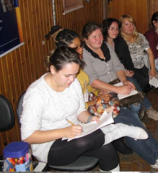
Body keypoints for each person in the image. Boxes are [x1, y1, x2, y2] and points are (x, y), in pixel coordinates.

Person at [20, 46, 148, 172]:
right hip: (49, 147)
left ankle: (116, 131)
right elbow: (28, 137)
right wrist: (65, 132)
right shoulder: (36, 94)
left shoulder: (73, 83)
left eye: (75, 74)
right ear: (53, 69)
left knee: (107, 148)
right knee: (83, 142)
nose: (72, 80)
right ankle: (120, 130)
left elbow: (80, 111)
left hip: (77, 134)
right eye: (67, 75)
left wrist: (91, 119)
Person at [81, 22, 158, 170]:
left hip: (116, 86)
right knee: (131, 121)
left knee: (132, 117)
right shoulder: (84, 55)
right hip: (104, 93)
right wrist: (117, 89)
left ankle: (156, 158)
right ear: (85, 40)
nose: (99, 39)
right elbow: (93, 80)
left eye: (100, 35)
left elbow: (118, 67)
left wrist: (124, 81)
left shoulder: (105, 46)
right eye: (94, 37)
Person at [102, 18, 158, 120]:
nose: (115, 31)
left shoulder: (119, 41)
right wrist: (123, 72)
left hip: (123, 72)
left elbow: (127, 59)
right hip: (111, 75)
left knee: (133, 80)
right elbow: (106, 66)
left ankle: (143, 109)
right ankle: (148, 108)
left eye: (116, 29)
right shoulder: (102, 44)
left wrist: (129, 70)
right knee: (132, 82)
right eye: (112, 29)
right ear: (105, 29)